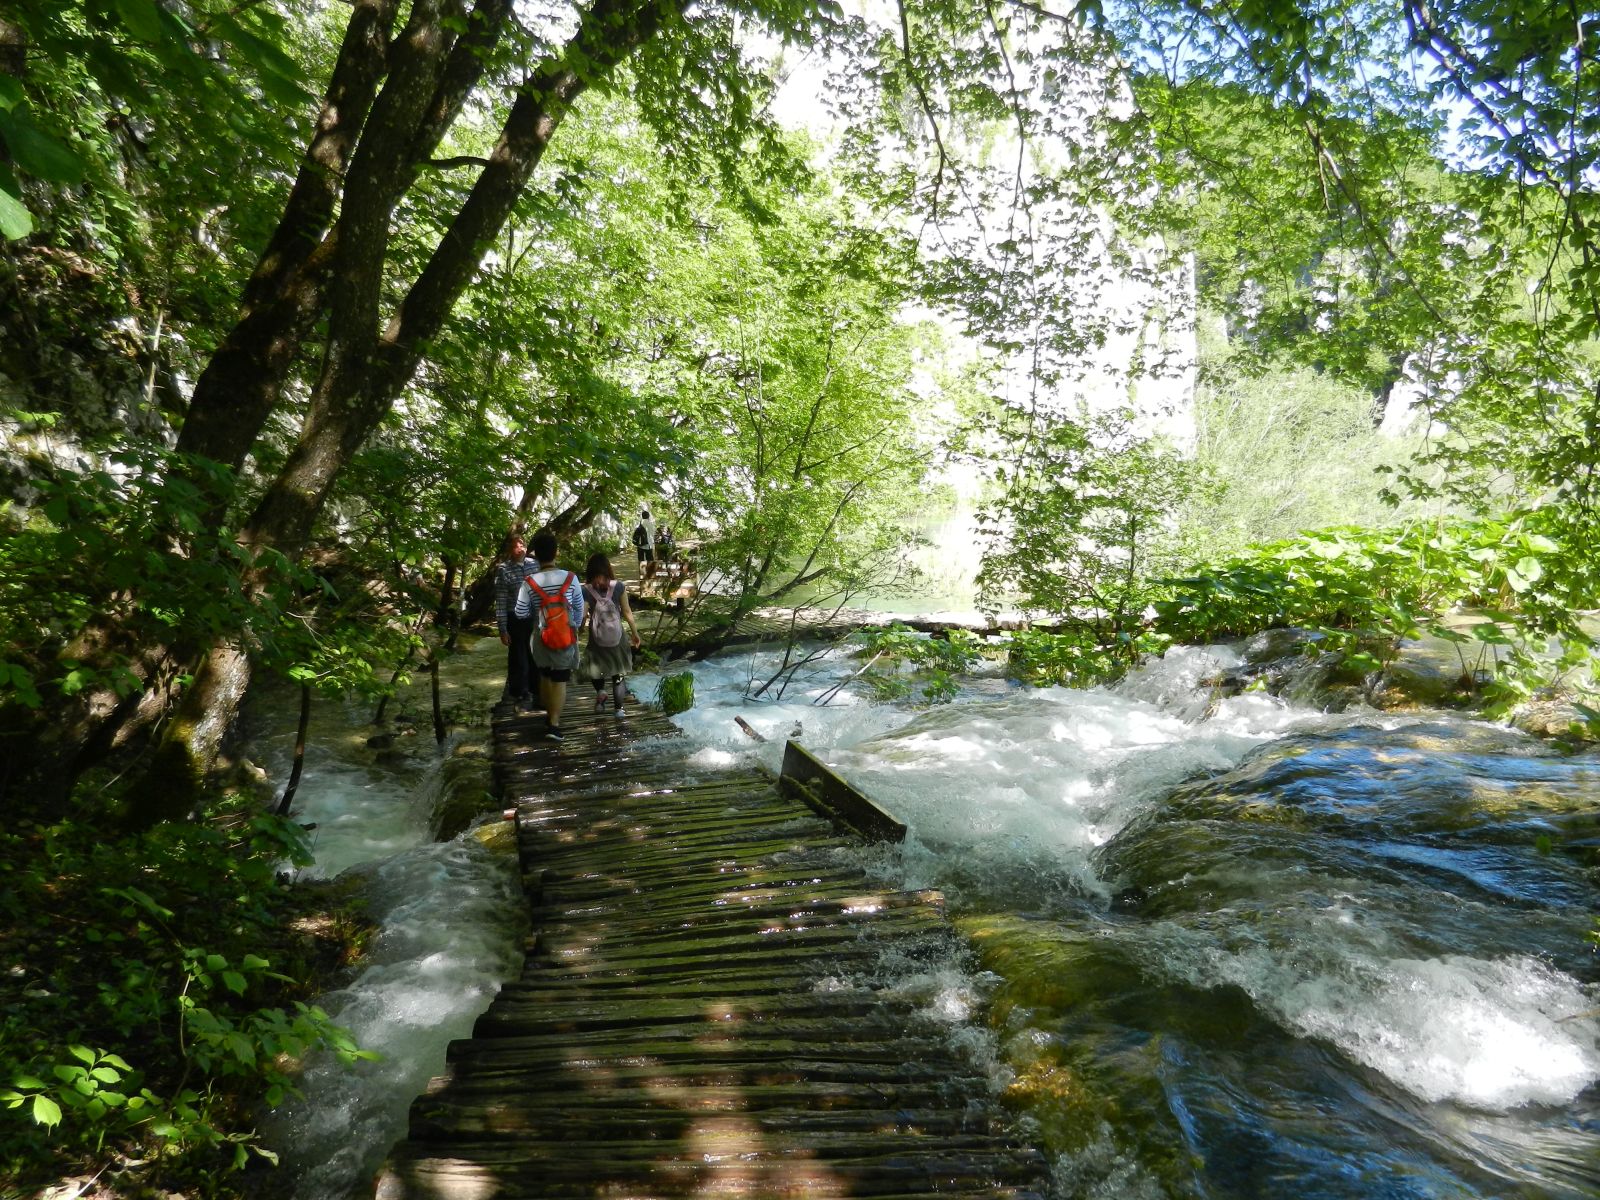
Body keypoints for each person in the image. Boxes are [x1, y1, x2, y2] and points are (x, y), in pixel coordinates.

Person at [513, 529, 584, 740]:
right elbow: (579, 608)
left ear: (536, 555)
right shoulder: (570, 578)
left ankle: (548, 714)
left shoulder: (529, 582)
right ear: (556, 552)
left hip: (540, 636)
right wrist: (573, 626)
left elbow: (520, 612)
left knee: (544, 675)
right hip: (565, 635)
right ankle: (554, 724)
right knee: (560, 679)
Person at [581, 553, 642, 718]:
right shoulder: (619, 586)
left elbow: (583, 615)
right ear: (608, 569)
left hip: (596, 639)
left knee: (594, 669)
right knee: (618, 674)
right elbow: (627, 611)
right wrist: (635, 633)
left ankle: (601, 691)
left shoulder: (586, 590)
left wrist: (579, 629)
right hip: (617, 638)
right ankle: (619, 710)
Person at [494, 530, 540, 709]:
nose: (519, 548)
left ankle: (537, 691)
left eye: (522, 545)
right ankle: (521, 693)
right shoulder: (503, 570)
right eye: (515, 546)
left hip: (535, 617)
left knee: (535, 655)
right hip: (515, 617)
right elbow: (501, 600)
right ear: (509, 550)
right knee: (519, 658)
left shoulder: (535, 565)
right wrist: (502, 629)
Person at [631, 507, 657, 584]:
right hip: (649, 544)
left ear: (642, 516)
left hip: (641, 544)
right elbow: (653, 533)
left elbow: (635, 533)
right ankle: (651, 574)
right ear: (648, 516)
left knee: (641, 559)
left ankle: (642, 575)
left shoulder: (639, 524)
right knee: (650, 559)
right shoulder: (651, 524)